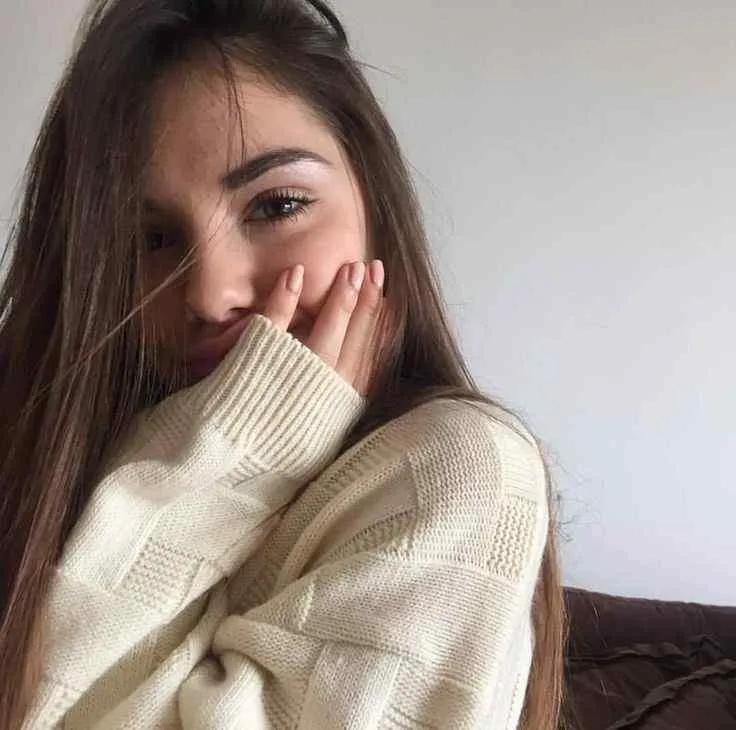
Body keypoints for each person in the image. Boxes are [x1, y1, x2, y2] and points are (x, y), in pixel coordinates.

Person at [0, 1, 566, 728]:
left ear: (375, 204)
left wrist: (243, 450)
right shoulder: (47, 446)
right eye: (151, 239)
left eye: (277, 206)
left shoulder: (454, 471)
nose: (212, 294)